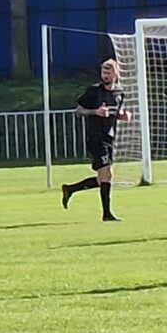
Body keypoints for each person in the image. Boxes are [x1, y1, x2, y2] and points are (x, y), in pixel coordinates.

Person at [61, 58, 130, 221]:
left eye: (108, 72)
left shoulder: (119, 92)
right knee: (106, 173)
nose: (105, 76)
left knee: (104, 178)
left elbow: (117, 112)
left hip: (109, 137)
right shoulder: (93, 91)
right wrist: (95, 112)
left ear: (116, 73)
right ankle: (107, 214)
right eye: (103, 72)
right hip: (95, 137)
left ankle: (70, 189)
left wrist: (123, 116)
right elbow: (79, 111)